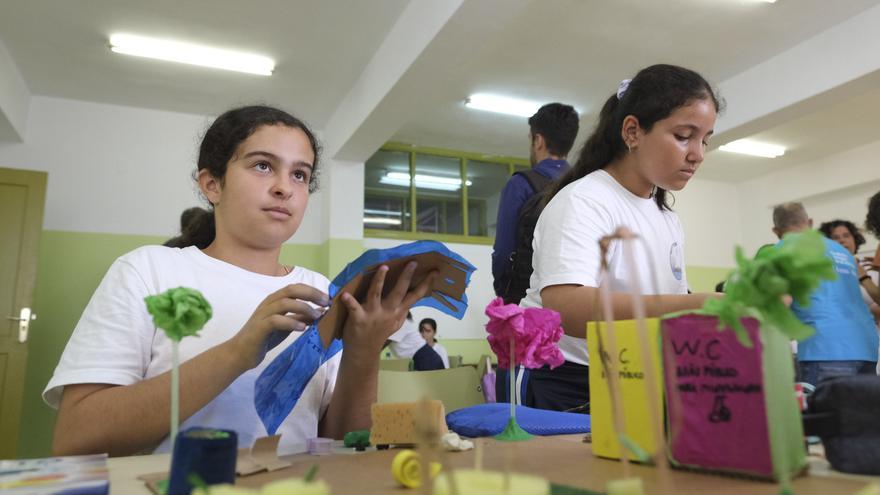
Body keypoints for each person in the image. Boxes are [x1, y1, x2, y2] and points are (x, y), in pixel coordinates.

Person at [45, 105, 434, 456]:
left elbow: (342, 444)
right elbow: (77, 437)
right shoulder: (148, 270)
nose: (284, 187)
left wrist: (363, 351)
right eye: (263, 165)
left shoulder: (318, 290)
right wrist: (238, 353)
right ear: (212, 184)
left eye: (300, 174)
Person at [520, 64, 722, 412]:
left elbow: (671, 298)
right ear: (632, 131)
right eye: (683, 136)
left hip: (636, 374)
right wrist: (695, 305)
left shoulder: (667, 218)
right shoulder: (584, 201)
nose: (698, 154)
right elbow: (565, 306)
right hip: (569, 380)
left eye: (705, 140)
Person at [773, 203, 878, 385]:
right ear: (810, 222)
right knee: (864, 413)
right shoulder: (843, 252)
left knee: (827, 413)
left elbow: (781, 302)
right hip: (866, 346)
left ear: (776, 230)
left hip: (824, 348)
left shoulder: (781, 250)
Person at [492, 102, 579, 297]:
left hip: (526, 299)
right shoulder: (582, 184)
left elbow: (503, 252)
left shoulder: (520, 185)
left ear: (538, 140)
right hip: (572, 298)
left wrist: (503, 292)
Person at [819, 219, 880, 313]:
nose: (842, 240)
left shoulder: (872, 266)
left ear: (855, 239)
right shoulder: (823, 273)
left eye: (846, 236)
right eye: (835, 237)